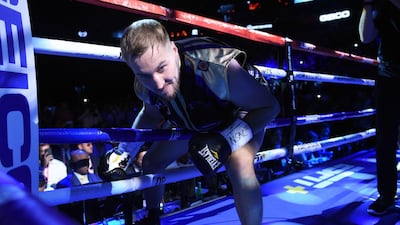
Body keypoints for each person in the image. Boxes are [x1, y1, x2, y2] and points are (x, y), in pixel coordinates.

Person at [118, 18, 280, 225]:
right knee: (151, 162)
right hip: (195, 120)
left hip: (239, 113)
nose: (157, 83)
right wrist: (122, 153)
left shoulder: (216, 66)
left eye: (161, 68)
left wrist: (226, 141)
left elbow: (269, 106)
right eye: (144, 75)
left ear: (174, 51)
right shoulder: (144, 85)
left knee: (239, 162)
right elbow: (151, 115)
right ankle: (153, 218)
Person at [359, 0, 400, 216]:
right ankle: (386, 195)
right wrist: (366, 5)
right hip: (389, 76)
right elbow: (365, 37)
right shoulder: (380, 6)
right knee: (386, 140)